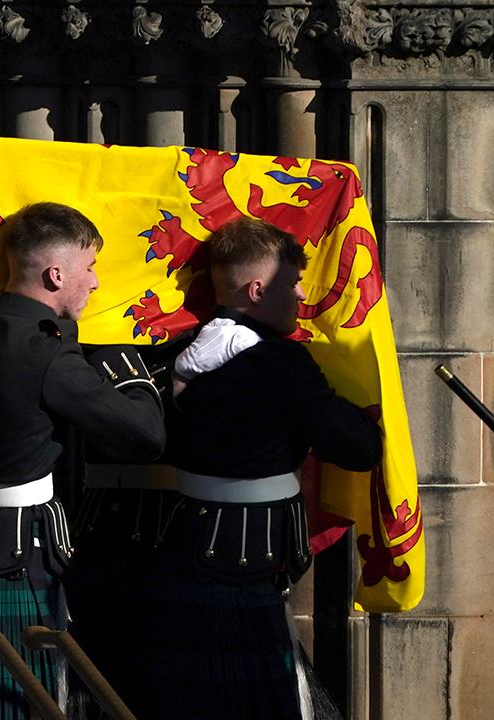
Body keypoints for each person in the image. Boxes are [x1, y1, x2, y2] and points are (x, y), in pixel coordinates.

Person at [0, 202, 167, 719]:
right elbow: (144, 437)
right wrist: (131, 373)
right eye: (89, 268)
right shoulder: (46, 353)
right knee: (17, 704)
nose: (95, 283)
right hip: (16, 558)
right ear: (55, 274)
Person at [133, 217, 383, 720]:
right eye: (291, 283)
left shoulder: (169, 349)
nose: (298, 296)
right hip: (251, 557)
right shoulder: (281, 363)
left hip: (181, 542)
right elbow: (357, 449)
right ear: (257, 288)